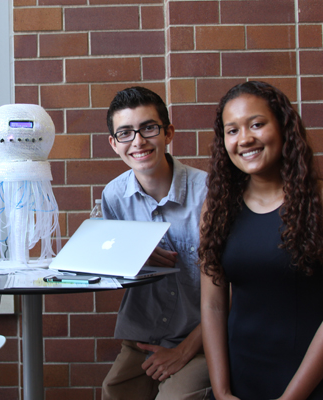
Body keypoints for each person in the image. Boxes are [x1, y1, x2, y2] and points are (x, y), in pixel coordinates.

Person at [199, 81, 323, 399]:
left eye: (256, 124)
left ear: (282, 126)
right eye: (232, 130)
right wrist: (222, 390)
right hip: (240, 379)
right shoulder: (217, 207)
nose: (245, 139)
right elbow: (213, 305)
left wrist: (291, 397)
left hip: (308, 378)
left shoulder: (318, 200)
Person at [101, 86, 211, 399]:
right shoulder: (113, 196)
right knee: (112, 392)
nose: (137, 141)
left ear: (168, 133)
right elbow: (108, 269)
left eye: (148, 128)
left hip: (200, 338)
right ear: (114, 143)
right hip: (142, 337)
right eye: (125, 133)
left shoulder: (209, 192)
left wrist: (186, 350)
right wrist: (132, 253)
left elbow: (233, 287)